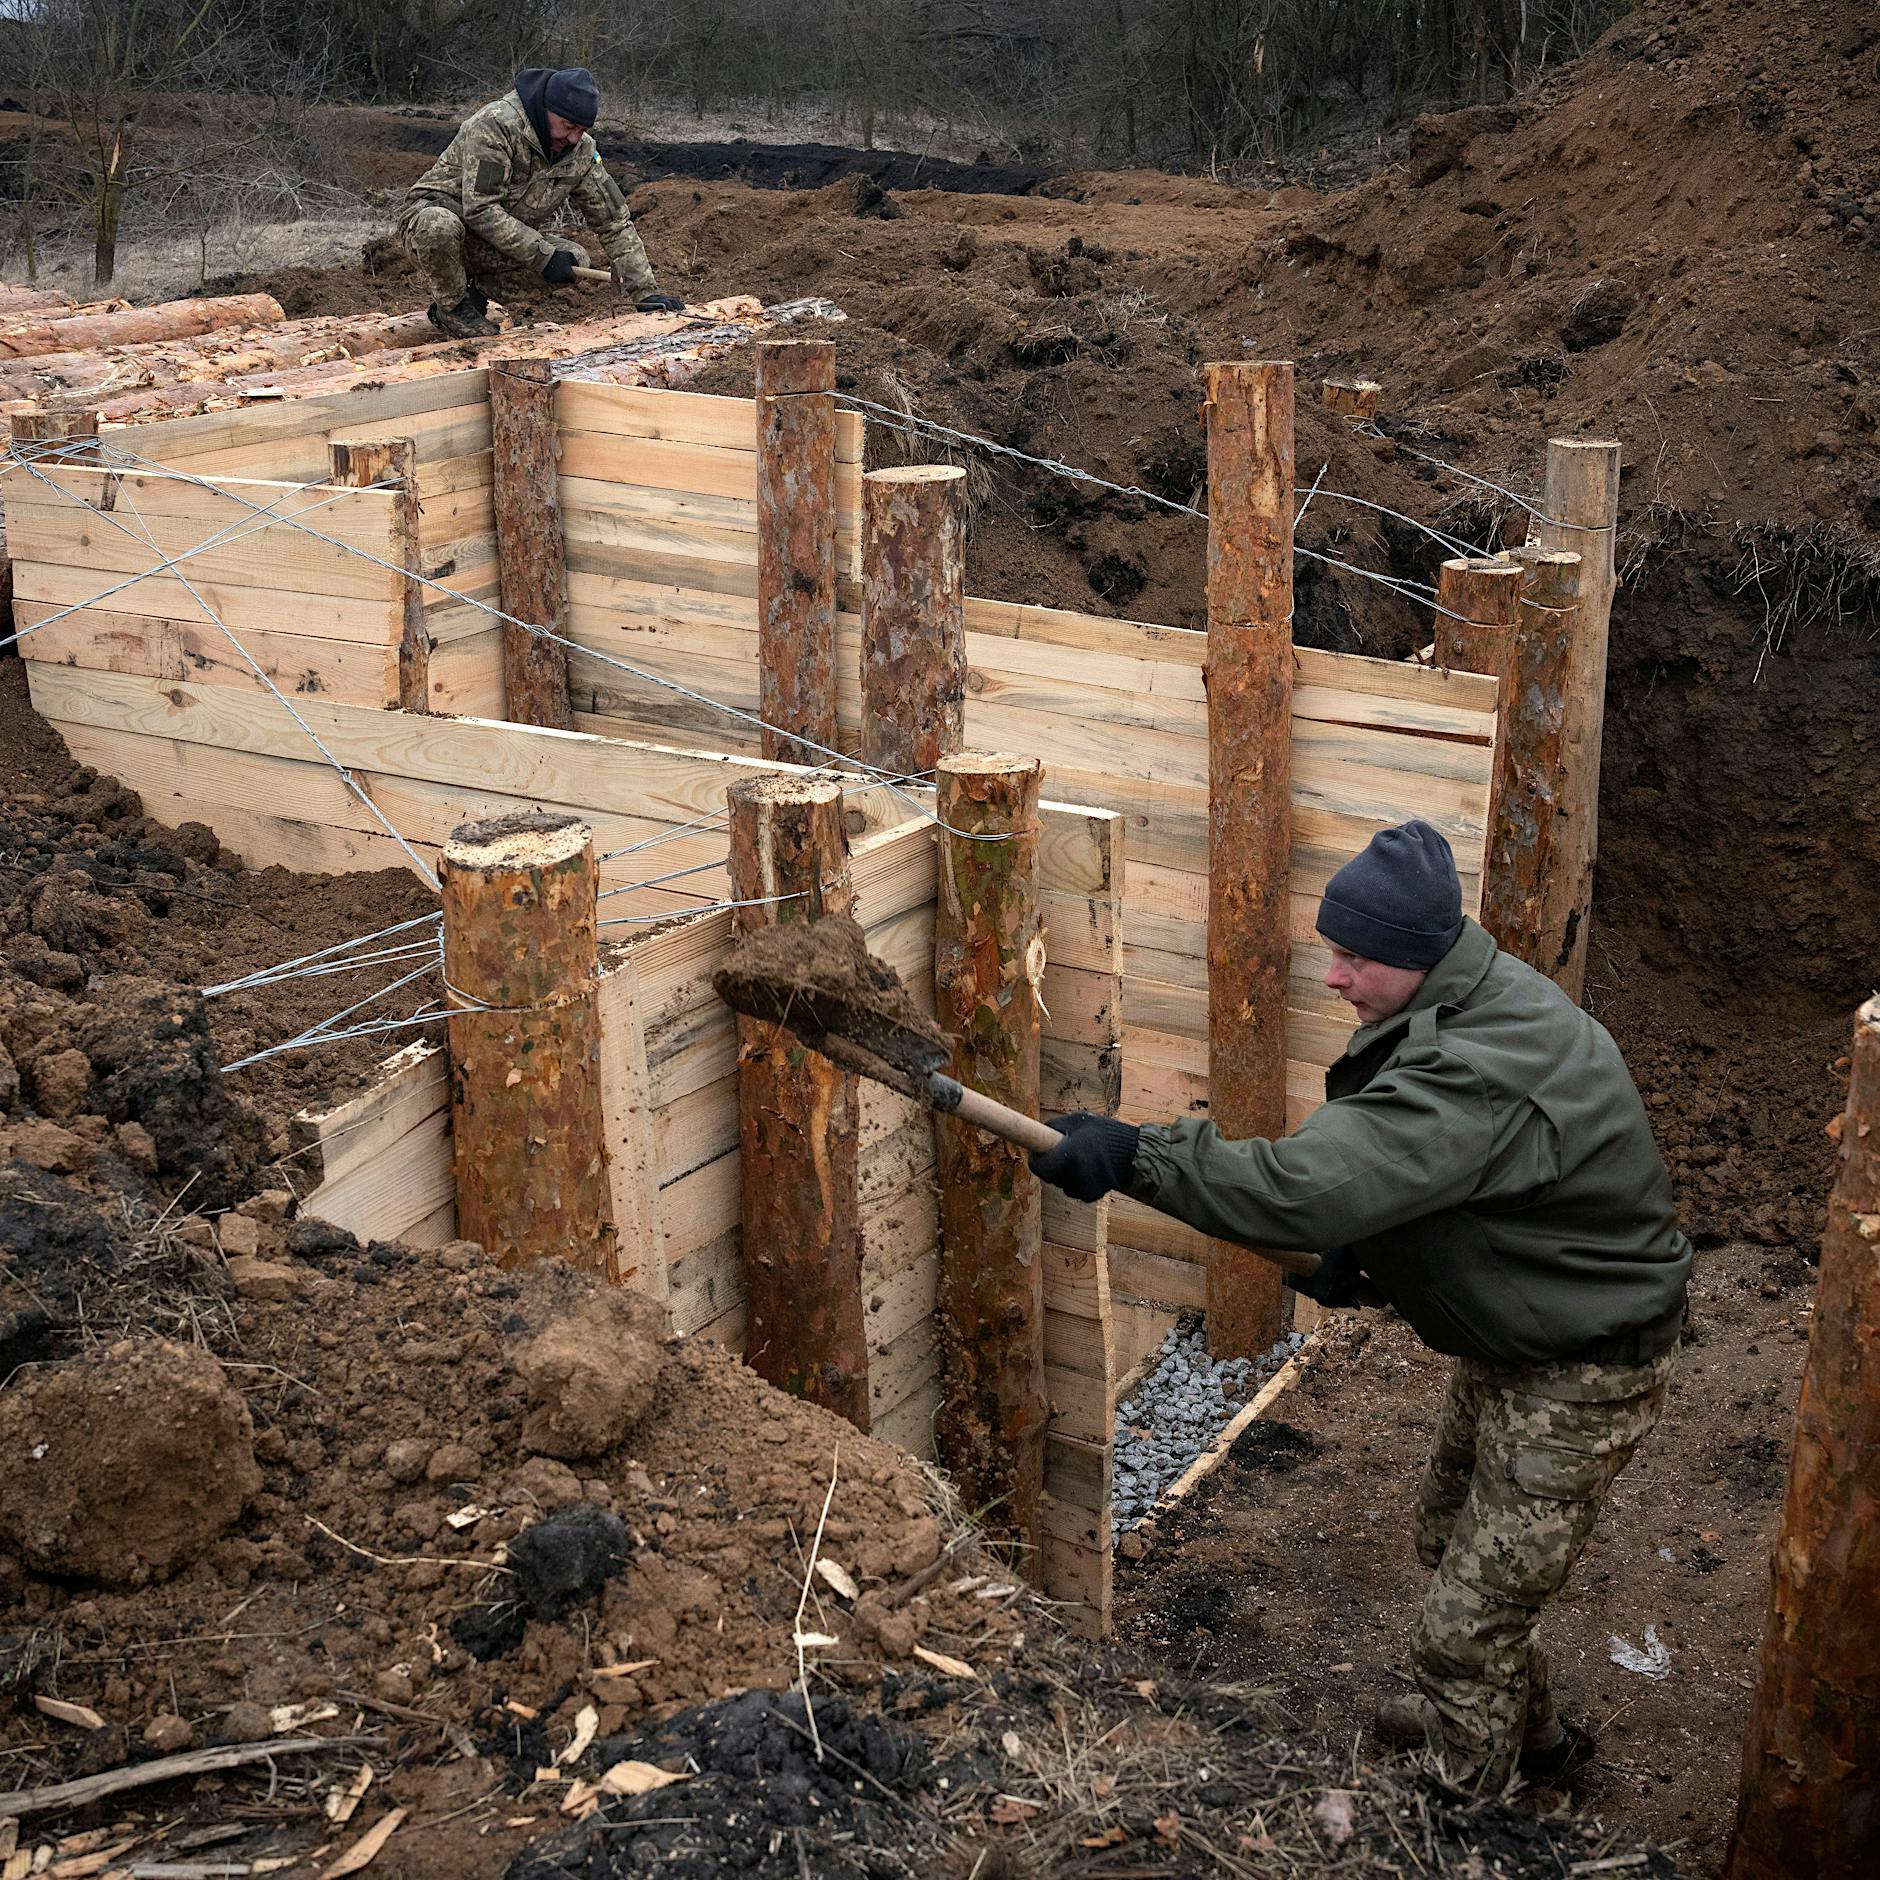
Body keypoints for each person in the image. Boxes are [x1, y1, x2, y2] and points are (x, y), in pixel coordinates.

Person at [1028, 820, 1691, 1789]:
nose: (1332, 976)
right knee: (1449, 1542)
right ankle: (1529, 1736)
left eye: (1352, 958)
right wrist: (1358, 1259)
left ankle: (1465, 1807)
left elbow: (1304, 1188)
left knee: (1461, 1632)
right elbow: (1453, 1192)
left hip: (1582, 1364)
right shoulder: (1463, 1000)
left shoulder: (1482, 1062)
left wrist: (1136, 1154)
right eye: (1332, 950)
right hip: (1527, 1325)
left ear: (1417, 956)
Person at [396, 66, 684, 339]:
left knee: (575, 260)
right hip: (436, 225)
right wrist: (542, 254)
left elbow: (614, 222)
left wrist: (645, 293)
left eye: (581, 131)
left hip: (493, 242)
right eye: (567, 126)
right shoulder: (497, 125)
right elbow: (481, 209)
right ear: (545, 110)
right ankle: (452, 307)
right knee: (438, 225)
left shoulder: (581, 153)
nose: (572, 138)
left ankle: (475, 290)